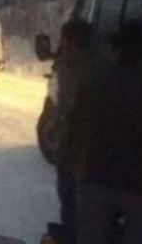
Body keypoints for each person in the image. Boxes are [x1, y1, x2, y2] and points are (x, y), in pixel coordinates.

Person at [70, 20, 142, 244]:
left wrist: (77, 168)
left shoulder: (95, 84)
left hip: (97, 180)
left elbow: (75, 131)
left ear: (118, 50)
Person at [43, 19, 98, 244]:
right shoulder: (102, 62)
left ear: (69, 40)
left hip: (75, 143)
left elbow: (67, 106)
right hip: (95, 143)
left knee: (70, 194)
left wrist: (52, 128)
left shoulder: (71, 64)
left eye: (63, 39)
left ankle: (73, 235)